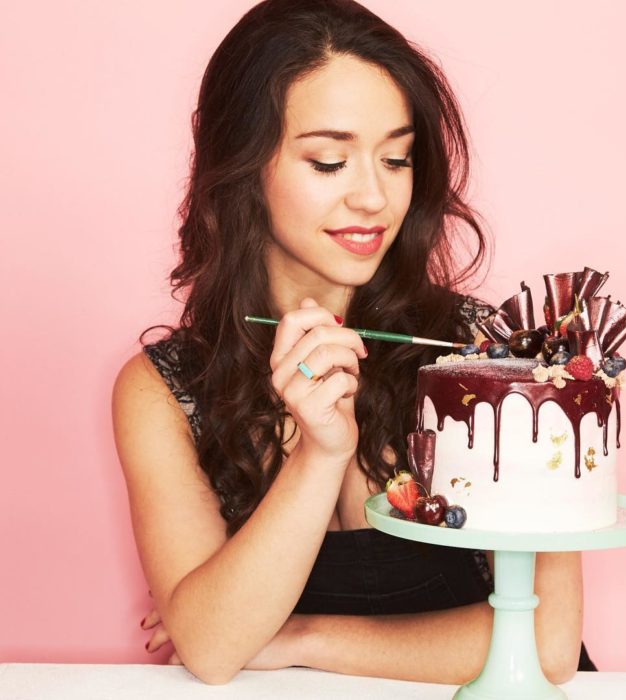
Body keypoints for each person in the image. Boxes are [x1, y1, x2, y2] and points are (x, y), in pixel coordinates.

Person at [112, 0, 594, 685]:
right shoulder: (162, 390)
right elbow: (215, 648)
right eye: (331, 162)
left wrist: (297, 636)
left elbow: (548, 648)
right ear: (244, 166)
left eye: (396, 158)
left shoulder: (492, 363)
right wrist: (320, 453)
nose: (375, 197)